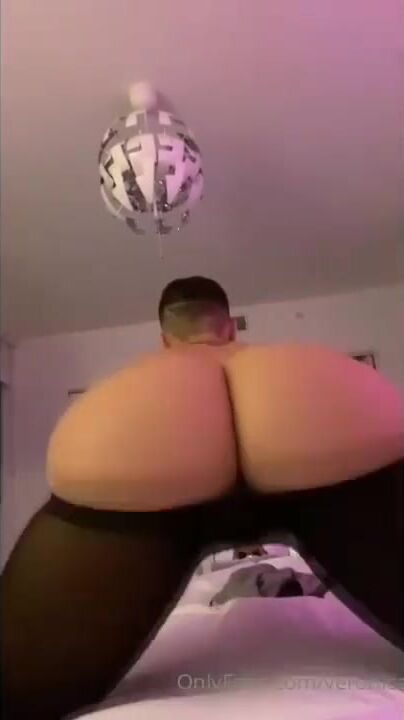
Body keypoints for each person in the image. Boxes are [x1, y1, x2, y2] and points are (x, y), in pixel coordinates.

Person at [2, 276, 403, 720]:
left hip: (138, 445)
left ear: (164, 338)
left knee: (16, 696)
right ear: (229, 327)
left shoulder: (143, 379)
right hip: (310, 423)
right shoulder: (297, 361)